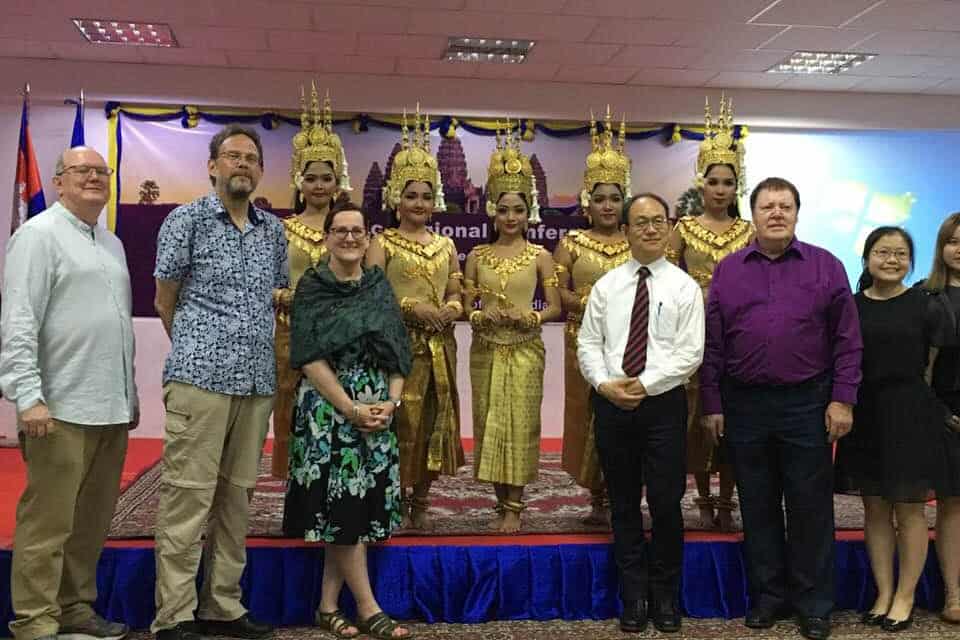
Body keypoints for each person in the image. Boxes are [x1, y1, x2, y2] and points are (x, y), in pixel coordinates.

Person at [701, 177, 863, 640]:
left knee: (810, 507)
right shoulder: (729, 270)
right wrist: (712, 401)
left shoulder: (826, 267)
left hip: (807, 403)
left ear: (796, 213)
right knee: (758, 504)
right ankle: (769, 598)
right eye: (767, 206)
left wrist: (843, 398)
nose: (776, 213)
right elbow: (714, 343)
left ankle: (814, 604)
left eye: (785, 206)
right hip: (744, 404)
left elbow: (847, 342)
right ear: (752, 214)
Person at [152, 125, 288, 640]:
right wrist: (196, 347)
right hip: (201, 381)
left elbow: (273, 297)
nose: (242, 165)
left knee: (237, 500)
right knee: (188, 498)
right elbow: (166, 300)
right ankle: (174, 616)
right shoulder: (185, 220)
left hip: (255, 386)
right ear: (212, 166)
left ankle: (222, 606)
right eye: (232, 156)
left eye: (251, 159)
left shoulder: (272, 231)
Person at [0, 146, 137, 640]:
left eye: (102, 171)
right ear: (59, 181)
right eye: (82, 171)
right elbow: (18, 322)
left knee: (90, 526)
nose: (95, 178)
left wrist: (130, 400)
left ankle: (76, 609)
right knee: (47, 526)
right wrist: (27, 396)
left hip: (110, 409)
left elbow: (115, 328)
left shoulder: (112, 243)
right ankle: (35, 623)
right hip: (57, 409)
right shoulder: (37, 237)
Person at [282, 203, 412, 640]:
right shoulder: (314, 288)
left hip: (376, 411)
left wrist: (389, 406)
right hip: (328, 410)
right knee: (342, 508)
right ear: (327, 237)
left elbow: (398, 351)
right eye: (341, 231)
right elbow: (309, 358)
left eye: (358, 231)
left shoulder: (378, 288)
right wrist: (350, 408)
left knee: (351, 510)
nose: (351, 238)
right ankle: (370, 606)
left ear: (368, 237)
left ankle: (327, 606)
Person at [577, 193, 704, 634]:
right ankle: (634, 597)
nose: (650, 229)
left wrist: (644, 386)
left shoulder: (684, 287)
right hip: (612, 403)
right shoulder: (608, 286)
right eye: (640, 222)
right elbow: (588, 344)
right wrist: (604, 384)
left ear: (669, 228)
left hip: (663, 405)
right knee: (624, 503)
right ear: (626, 231)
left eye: (658, 221)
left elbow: (690, 354)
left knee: (667, 503)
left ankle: (666, 596)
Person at [834, 227, 949, 631]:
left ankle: (906, 595)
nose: (891, 260)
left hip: (910, 415)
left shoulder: (926, 305)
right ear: (866, 258)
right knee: (875, 509)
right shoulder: (851, 305)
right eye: (882, 252)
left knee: (910, 510)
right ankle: (883, 592)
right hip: (864, 413)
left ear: (911, 260)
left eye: (900, 253)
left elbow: (938, 364)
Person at [365, 107, 464, 530]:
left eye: (426, 196)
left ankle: (422, 498)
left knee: (433, 421)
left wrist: (452, 309)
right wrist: (412, 308)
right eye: (410, 196)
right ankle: (393, 496)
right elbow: (370, 296)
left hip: (441, 346)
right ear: (394, 198)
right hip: (395, 348)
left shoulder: (445, 245)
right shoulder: (381, 242)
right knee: (399, 419)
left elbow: (457, 291)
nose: (419, 204)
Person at [464, 121, 561, 534]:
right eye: (503, 209)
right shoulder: (476, 255)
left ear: (529, 212)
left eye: (518, 210)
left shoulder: (540, 256)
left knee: (520, 423)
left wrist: (532, 317)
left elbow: (555, 306)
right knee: (490, 422)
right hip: (486, 347)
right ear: (492, 209)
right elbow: (465, 306)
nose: (510, 217)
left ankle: (515, 506)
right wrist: (479, 316)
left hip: (525, 348)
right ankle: (498, 499)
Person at [666, 95, 752, 532]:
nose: (721, 189)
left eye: (728, 182)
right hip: (693, 336)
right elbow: (662, 277)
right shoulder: (682, 229)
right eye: (714, 181)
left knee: (733, 415)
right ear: (701, 184)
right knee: (698, 414)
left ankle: (727, 499)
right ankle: (700, 493)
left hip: (738, 336)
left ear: (738, 187)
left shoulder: (749, 231)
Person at [554, 107, 632, 526]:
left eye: (615, 198)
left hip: (630, 345)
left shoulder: (639, 243)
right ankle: (595, 496)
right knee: (587, 416)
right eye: (599, 198)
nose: (607, 205)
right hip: (581, 342)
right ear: (588, 201)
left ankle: (620, 493)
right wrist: (593, 303)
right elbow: (558, 296)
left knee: (627, 415)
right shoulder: (570, 243)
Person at [272, 86, 351, 479]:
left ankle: (334, 488)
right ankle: (294, 493)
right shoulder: (281, 231)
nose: (319, 185)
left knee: (338, 412)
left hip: (341, 338)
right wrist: (292, 296)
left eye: (327, 177)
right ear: (298, 181)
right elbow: (266, 285)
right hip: (291, 335)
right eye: (311, 178)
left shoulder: (348, 229)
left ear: (338, 180)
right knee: (289, 412)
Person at [922, 212, 960, 624]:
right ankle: (954, 594)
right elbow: (922, 371)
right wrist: (944, 415)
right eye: (953, 241)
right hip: (948, 417)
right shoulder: (927, 297)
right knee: (953, 507)